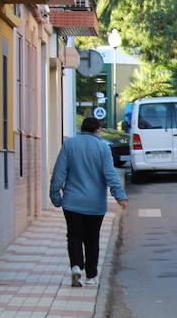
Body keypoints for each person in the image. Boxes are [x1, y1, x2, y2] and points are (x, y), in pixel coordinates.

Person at [50, 117, 128, 287]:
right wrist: (120, 196)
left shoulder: (69, 145)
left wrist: (55, 197)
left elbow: (59, 173)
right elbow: (110, 174)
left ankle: (76, 267)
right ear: (98, 130)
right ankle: (91, 276)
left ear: (82, 129)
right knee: (92, 239)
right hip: (95, 205)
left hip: (72, 202)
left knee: (74, 236)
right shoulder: (103, 148)